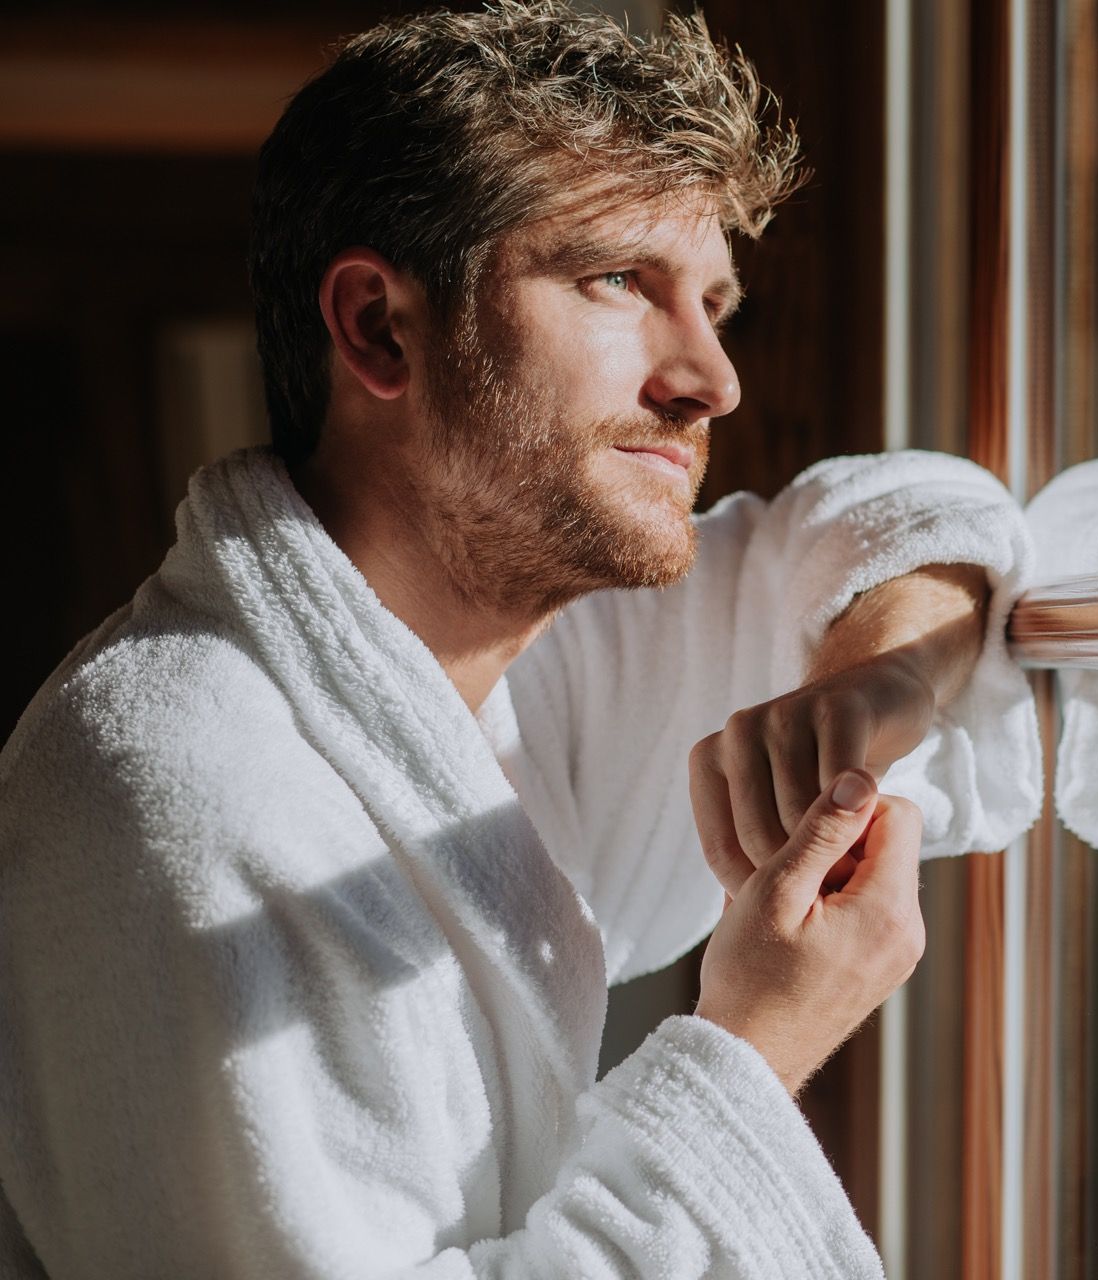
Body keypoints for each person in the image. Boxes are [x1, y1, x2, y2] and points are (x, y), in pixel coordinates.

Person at [0, 5, 1041, 1277]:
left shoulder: (506, 675)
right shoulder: (186, 785)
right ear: (380, 326)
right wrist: (756, 1040)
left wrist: (879, 672)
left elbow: (905, 513)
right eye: (620, 281)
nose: (713, 379)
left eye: (716, 304)